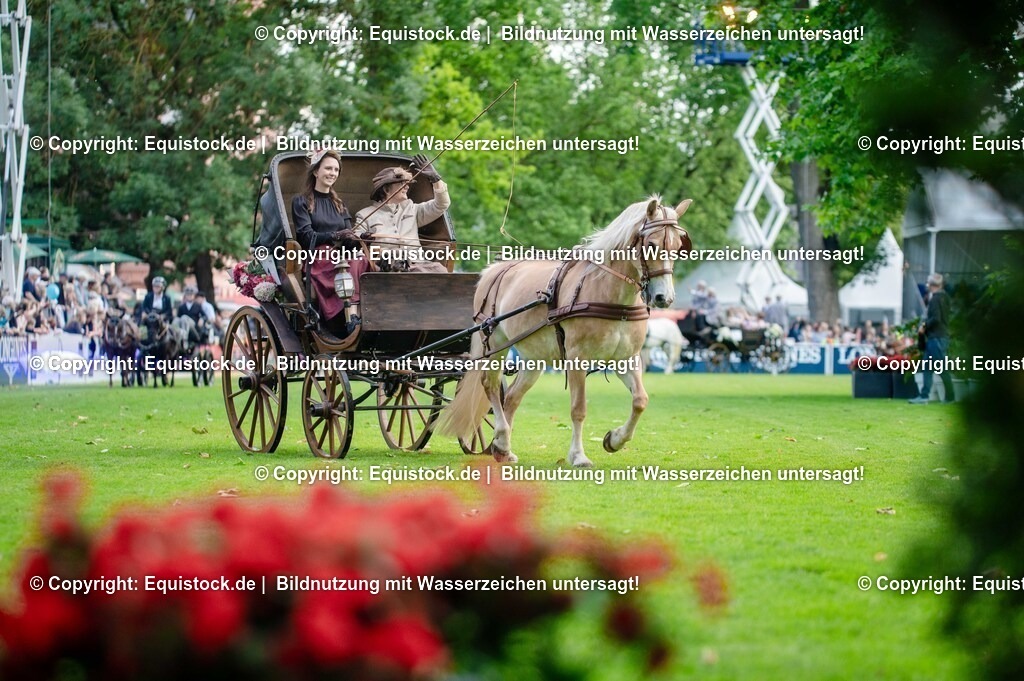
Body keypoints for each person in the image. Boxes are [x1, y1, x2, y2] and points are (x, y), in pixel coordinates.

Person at [291, 149, 367, 336]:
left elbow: (348, 242)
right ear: (316, 171)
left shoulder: (339, 204)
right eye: (328, 168)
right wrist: (335, 235)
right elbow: (306, 236)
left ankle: (357, 314)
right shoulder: (301, 201)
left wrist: (361, 239)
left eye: (336, 169)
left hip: (341, 255)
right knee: (349, 265)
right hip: (318, 258)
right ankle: (349, 318)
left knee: (362, 260)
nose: (333, 173)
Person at [354, 154, 450, 274]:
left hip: (419, 266)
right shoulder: (364, 215)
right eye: (402, 183)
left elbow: (441, 205)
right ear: (386, 189)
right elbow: (356, 246)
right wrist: (379, 252)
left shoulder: (411, 208)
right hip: (387, 271)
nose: (407, 187)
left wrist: (436, 179)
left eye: (407, 183)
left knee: (440, 271)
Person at [910, 273, 955, 404]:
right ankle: (925, 395)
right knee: (929, 368)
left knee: (939, 368)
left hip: (936, 338)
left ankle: (949, 397)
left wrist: (924, 326)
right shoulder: (945, 298)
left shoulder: (935, 299)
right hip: (940, 337)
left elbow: (936, 319)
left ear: (931, 284)